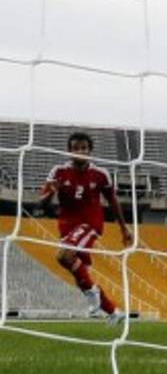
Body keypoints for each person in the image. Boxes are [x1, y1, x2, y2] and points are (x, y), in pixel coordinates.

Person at [39, 132, 131, 323]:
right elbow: (43, 204)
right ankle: (113, 311)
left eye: (84, 148)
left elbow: (113, 202)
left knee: (64, 256)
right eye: (76, 148)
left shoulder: (100, 174)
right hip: (66, 226)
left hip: (90, 224)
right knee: (76, 270)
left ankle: (92, 293)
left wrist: (124, 229)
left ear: (90, 151)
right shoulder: (58, 172)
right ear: (69, 151)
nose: (80, 152)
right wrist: (51, 193)